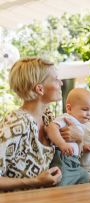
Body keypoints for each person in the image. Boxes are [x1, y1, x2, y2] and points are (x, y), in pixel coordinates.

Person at [0, 57, 66, 191]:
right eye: (55, 79)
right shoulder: (15, 123)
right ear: (40, 89)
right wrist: (35, 181)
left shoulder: (47, 117)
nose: (61, 83)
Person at [46, 88, 90, 186]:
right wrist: (62, 144)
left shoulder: (81, 125)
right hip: (63, 159)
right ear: (69, 108)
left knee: (84, 176)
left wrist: (83, 147)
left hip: (75, 161)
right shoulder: (66, 118)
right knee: (62, 180)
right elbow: (51, 128)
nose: (89, 114)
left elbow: (75, 143)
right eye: (85, 109)